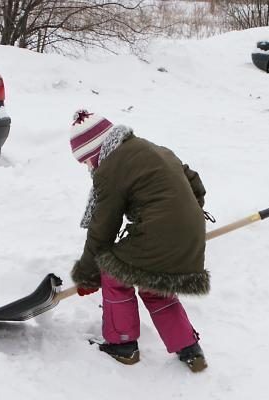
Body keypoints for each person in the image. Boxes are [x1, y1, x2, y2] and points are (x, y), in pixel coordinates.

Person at [68, 109, 210, 372]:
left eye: (86, 161)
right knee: (154, 283)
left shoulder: (110, 169)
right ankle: (189, 349)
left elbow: (102, 229)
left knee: (113, 273)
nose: (88, 168)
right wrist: (181, 215)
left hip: (159, 234)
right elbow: (195, 183)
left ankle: (122, 344)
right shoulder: (153, 148)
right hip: (190, 231)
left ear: (97, 150)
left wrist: (88, 274)